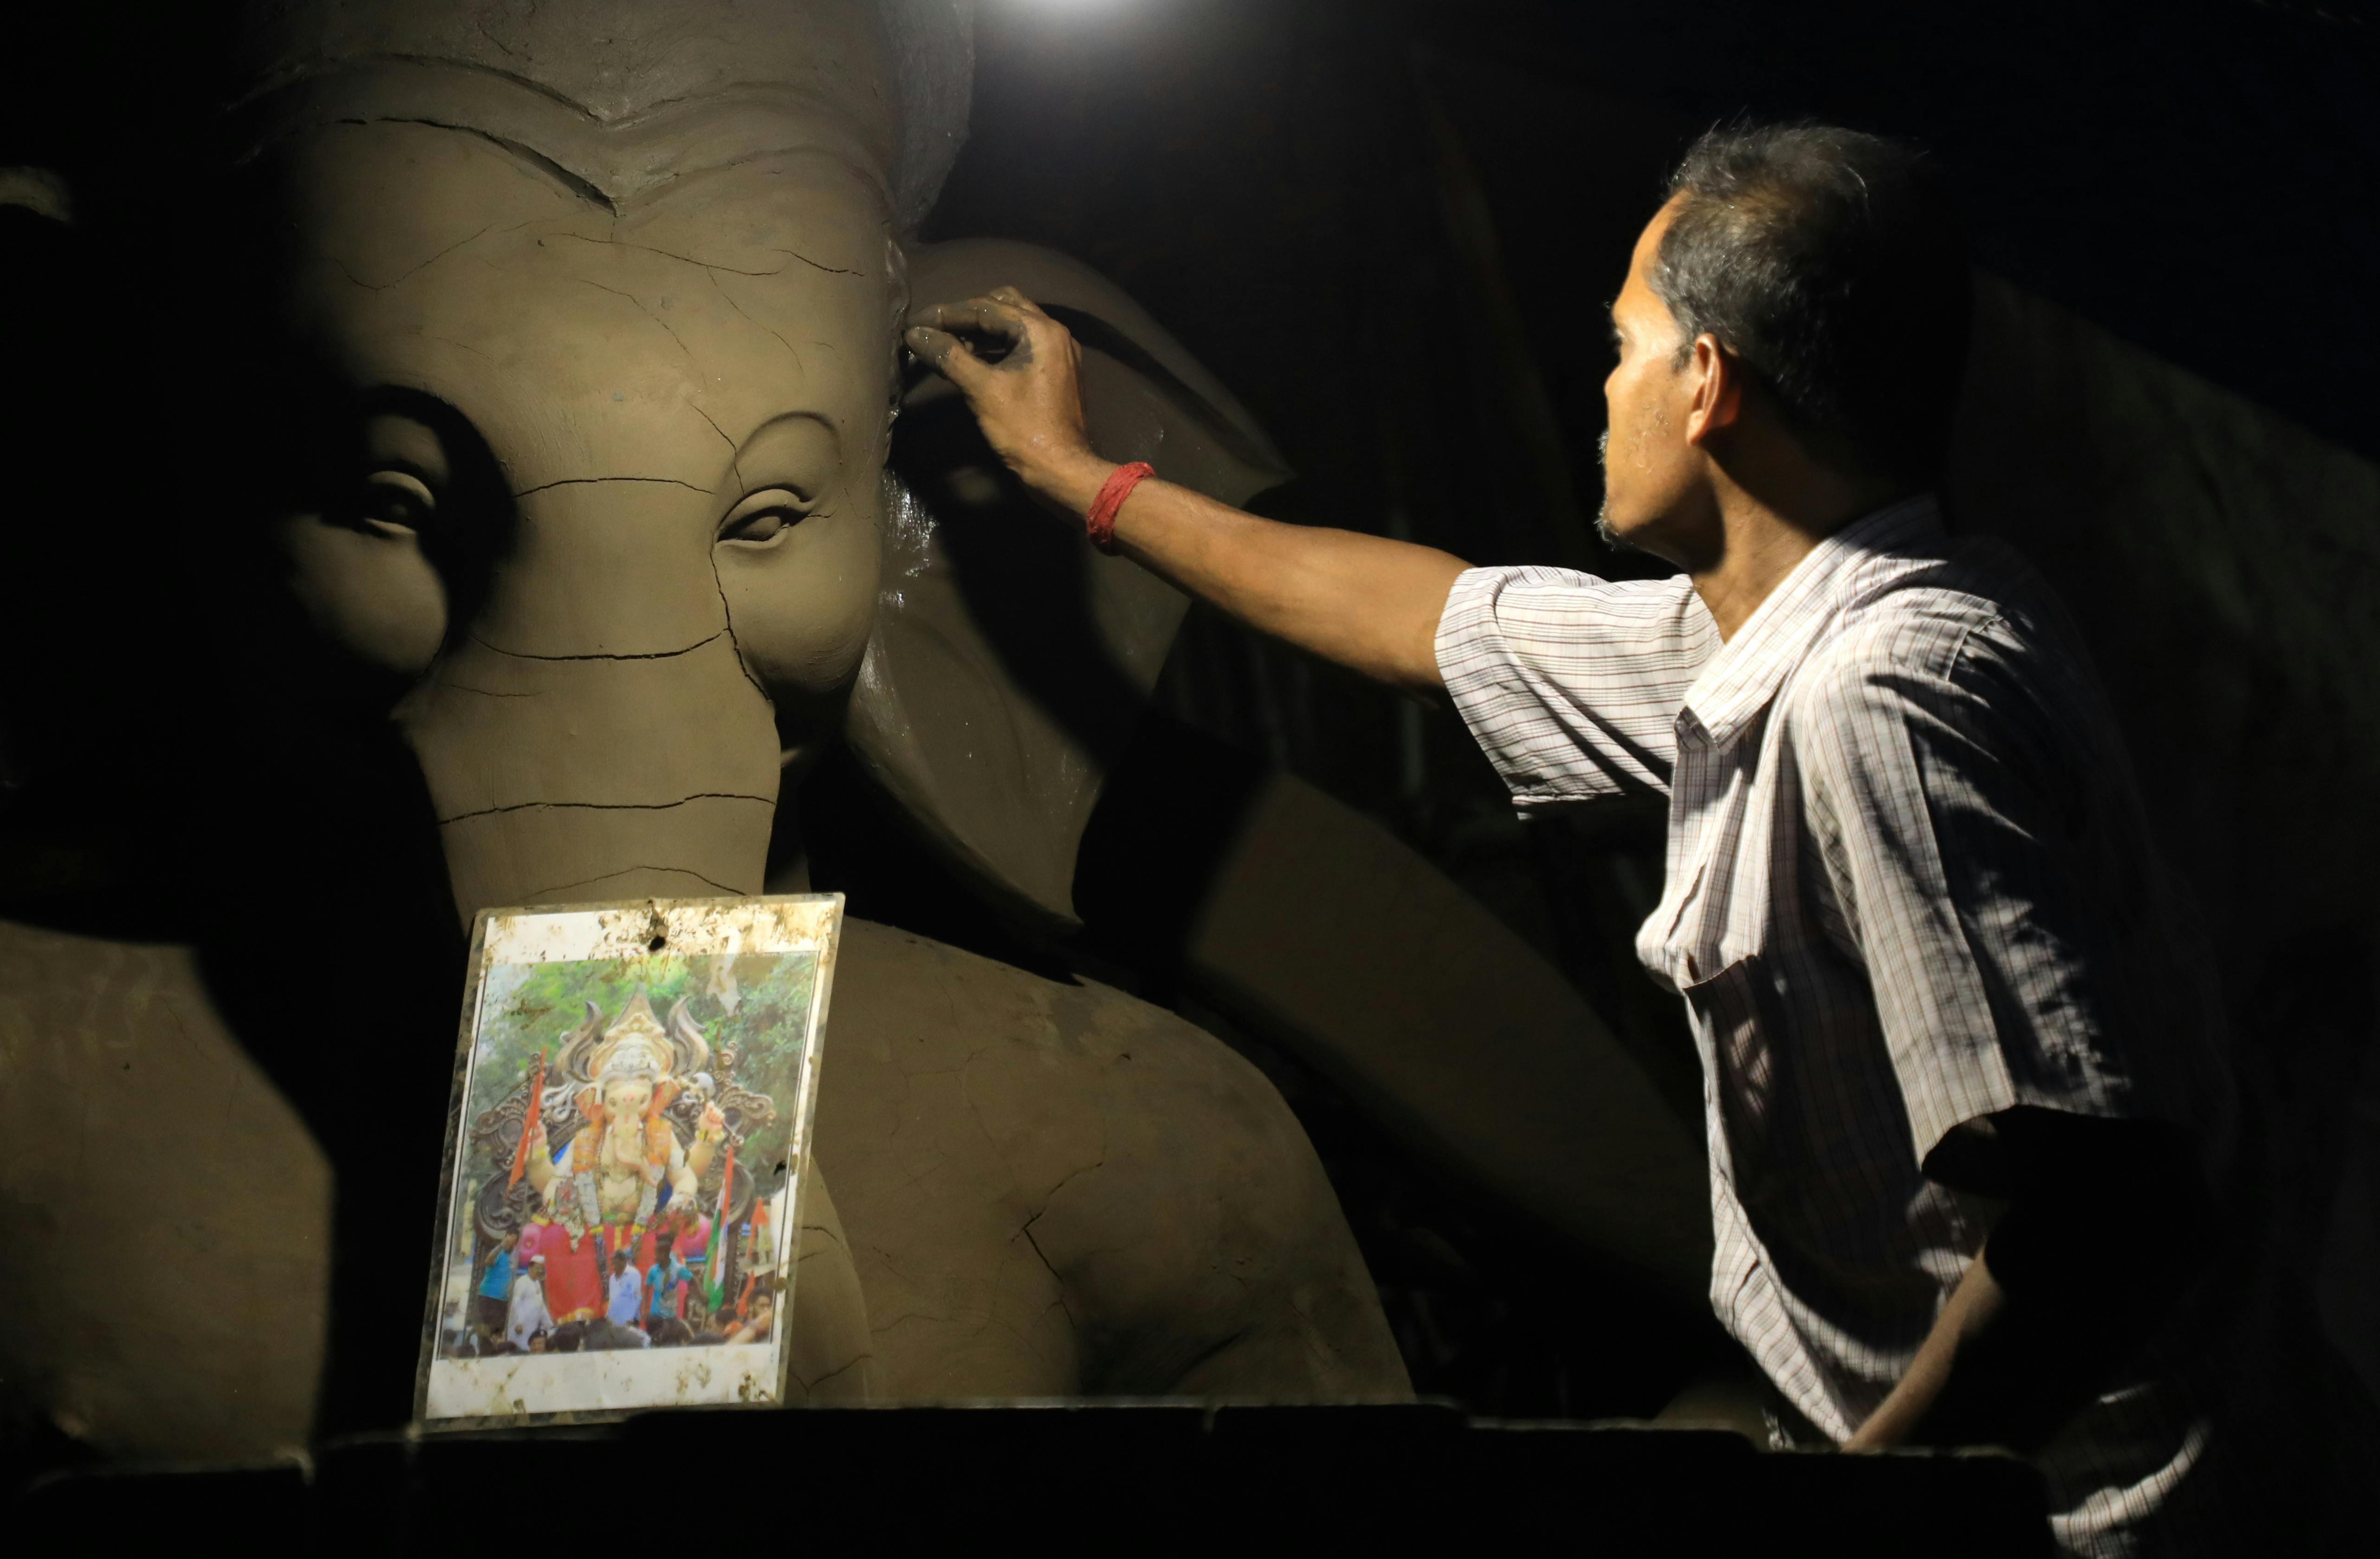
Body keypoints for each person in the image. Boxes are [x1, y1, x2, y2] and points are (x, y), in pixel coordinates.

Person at [906, 122, 2292, 1557]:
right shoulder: (1787, 631)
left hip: (2075, 1528)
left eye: (1627, 344)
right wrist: (1080, 477)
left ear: (1706, 385)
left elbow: (2109, 1218)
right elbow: (1417, 618)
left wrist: (1865, 1506)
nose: (1606, 382)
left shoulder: (1881, 698)